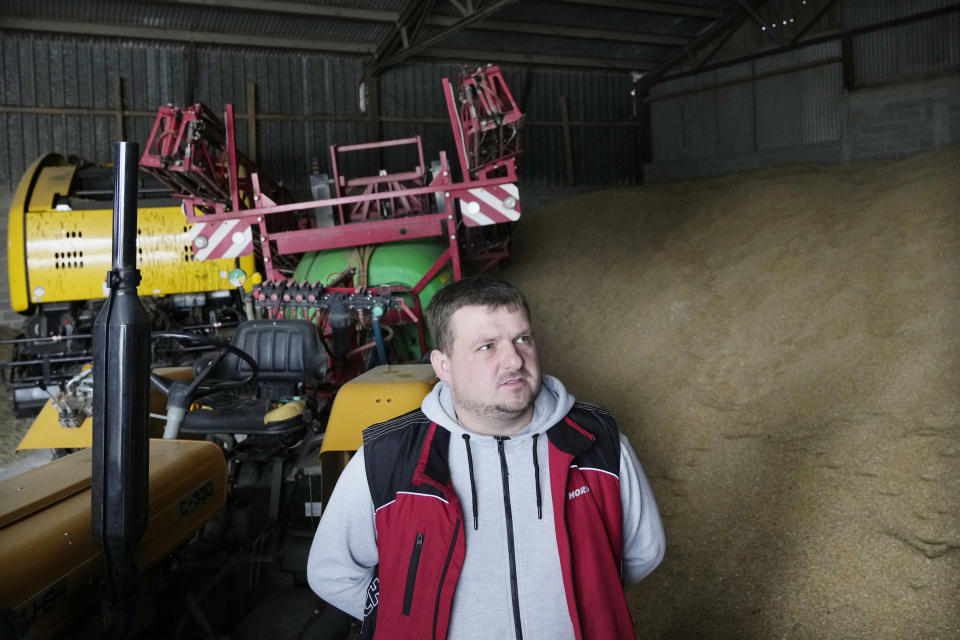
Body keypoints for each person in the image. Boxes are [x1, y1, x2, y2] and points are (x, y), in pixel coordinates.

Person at [307, 275, 665, 640]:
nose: (514, 359)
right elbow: (332, 570)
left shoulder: (597, 443)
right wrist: (406, 614)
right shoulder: (388, 457)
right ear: (443, 366)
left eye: (522, 338)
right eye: (487, 347)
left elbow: (643, 552)